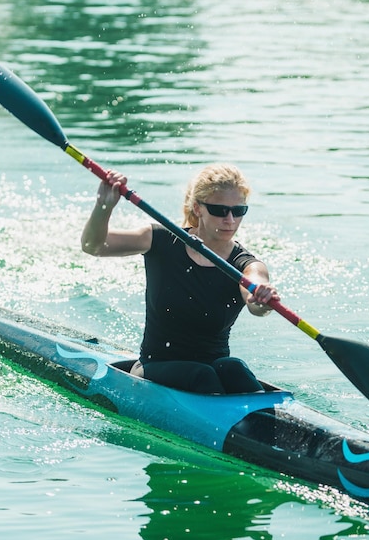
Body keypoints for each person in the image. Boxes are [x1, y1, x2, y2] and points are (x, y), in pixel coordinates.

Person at [81, 163, 279, 394]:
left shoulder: (246, 264)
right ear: (197, 208)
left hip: (212, 368)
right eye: (219, 210)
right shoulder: (160, 239)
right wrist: (104, 207)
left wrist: (260, 299)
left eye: (238, 211)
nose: (230, 220)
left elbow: (255, 295)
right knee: (201, 375)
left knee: (234, 368)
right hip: (155, 366)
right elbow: (93, 246)